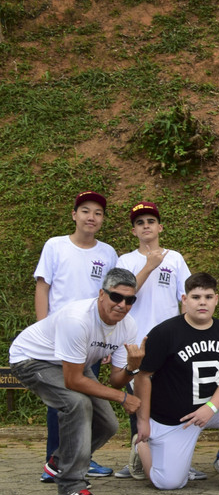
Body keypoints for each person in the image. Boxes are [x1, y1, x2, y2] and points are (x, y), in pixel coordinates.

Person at [10, 268, 144, 495]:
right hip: (31, 358)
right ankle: (70, 486)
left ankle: (60, 460)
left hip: (72, 363)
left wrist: (131, 368)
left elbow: (115, 380)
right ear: (101, 294)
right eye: (116, 297)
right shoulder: (77, 318)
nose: (122, 305)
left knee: (108, 424)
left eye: (129, 300)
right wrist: (123, 398)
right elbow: (73, 381)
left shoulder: (128, 326)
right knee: (76, 403)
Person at [133, 273, 219, 491]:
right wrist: (143, 420)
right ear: (184, 300)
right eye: (196, 297)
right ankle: (142, 446)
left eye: (208, 297)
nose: (202, 302)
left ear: (216, 300)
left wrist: (210, 408)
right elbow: (143, 376)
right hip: (174, 418)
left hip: (208, 407)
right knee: (168, 483)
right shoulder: (165, 332)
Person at [34, 191, 119, 480]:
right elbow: (43, 288)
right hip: (58, 337)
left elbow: (110, 300)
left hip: (91, 339)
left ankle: (83, 458)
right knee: (62, 402)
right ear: (74, 215)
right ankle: (54, 462)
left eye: (98, 213)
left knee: (89, 401)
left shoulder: (107, 253)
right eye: (85, 211)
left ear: (102, 220)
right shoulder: (55, 246)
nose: (91, 217)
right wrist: (42, 328)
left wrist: (108, 341)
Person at [113, 201, 192, 480]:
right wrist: (149, 266)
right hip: (134, 340)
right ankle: (138, 454)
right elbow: (123, 294)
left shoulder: (175, 258)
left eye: (150, 221)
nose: (145, 226)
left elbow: (186, 297)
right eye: (139, 223)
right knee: (136, 401)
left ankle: (178, 459)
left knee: (172, 396)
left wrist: (187, 332)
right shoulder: (125, 261)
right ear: (133, 231)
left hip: (171, 340)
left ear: (160, 227)